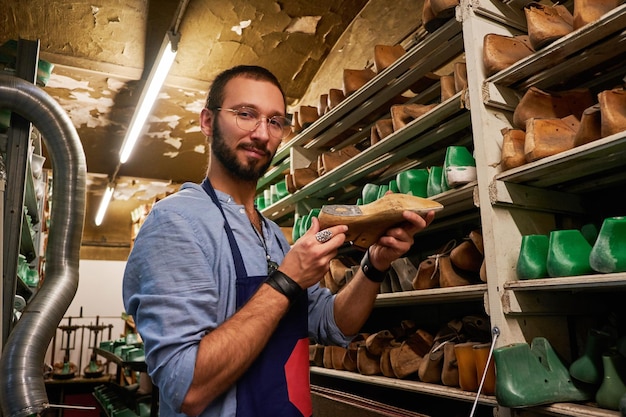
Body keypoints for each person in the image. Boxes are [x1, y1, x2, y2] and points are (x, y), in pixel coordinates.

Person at [122, 65, 435, 417]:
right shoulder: (175, 223)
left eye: (275, 121)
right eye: (245, 114)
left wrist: (375, 264)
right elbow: (187, 387)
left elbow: (334, 323)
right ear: (207, 122)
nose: (261, 133)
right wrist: (286, 281)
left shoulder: (271, 234)